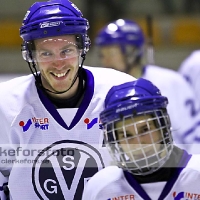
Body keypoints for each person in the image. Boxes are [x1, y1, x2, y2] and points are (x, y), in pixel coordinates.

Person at [0, 1, 136, 199]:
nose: (58, 63)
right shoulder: (6, 103)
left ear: (81, 49)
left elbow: (147, 167)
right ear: (32, 55)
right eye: (46, 53)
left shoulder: (122, 91)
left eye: (67, 50)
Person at [82, 78, 200, 200]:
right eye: (126, 135)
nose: (138, 144)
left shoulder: (197, 173)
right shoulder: (101, 187)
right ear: (115, 140)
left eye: (145, 130)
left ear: (162, 127)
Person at [95, 19, 200, 153]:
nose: (106, 60)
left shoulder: (170, 82)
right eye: (103, 54)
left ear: (132, 52)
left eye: (112, 53)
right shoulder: (102, 90)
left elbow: (194, 134)